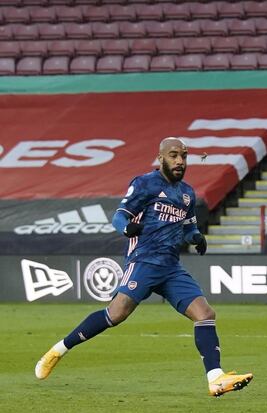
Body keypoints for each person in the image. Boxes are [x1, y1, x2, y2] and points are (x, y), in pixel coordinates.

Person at [34, 137, 253, 397]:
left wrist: (195, 236)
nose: (180, 161)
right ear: (161, 157)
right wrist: (127, 228)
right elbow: (119, 216)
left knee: (205, 314)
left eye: (184, 155)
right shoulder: (144, 183)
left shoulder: (187, 193)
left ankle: (216, 378)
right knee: (116, 314)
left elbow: (189, 225)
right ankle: (58, 350)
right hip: (143, 261)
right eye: (174, 155)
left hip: (171, 267)